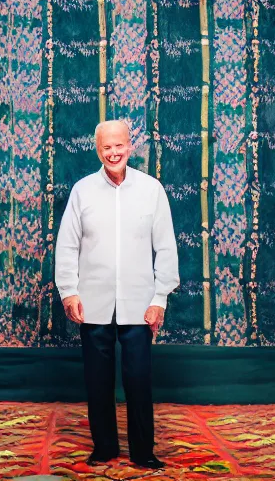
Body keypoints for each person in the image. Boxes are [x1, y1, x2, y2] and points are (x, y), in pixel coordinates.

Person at [55, 120, 179, 469]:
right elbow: (67, 246)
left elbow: (166, 248)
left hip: (140, 304)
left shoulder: (151, 190)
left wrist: (160, 299)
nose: (113, 153)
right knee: (98, 381)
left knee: (138, 379)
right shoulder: (82, 191)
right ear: (98, 150)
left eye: (118, 145)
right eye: (106, 147)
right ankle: (105, 447)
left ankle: (143, 451)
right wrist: (68, 291)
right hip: (92, 302)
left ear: (130, 145)